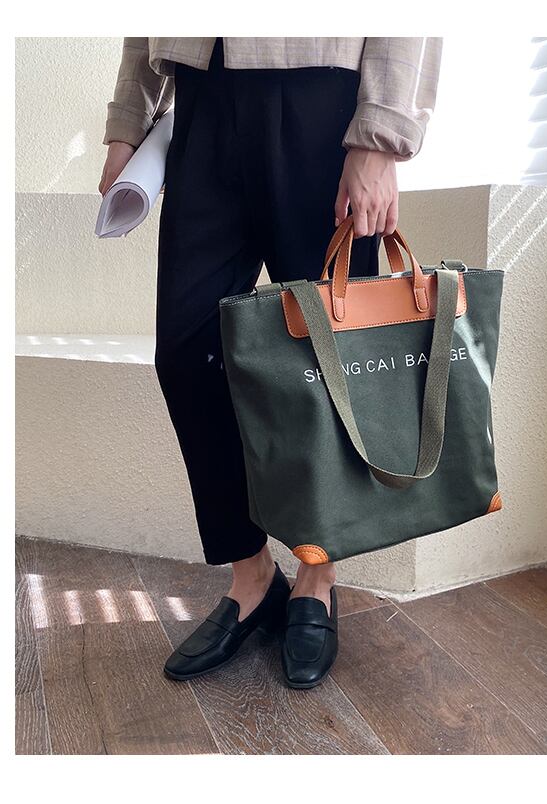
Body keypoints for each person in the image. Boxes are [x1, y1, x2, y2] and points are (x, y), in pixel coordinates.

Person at [100, 37, 441, 688]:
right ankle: (253, 575)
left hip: (320, 99)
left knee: (330, 362)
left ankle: (318, 573)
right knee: (186, 352)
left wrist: (381, 136)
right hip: (202, 96)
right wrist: (128, 121)